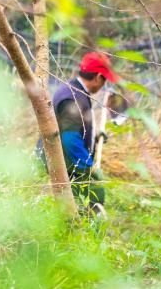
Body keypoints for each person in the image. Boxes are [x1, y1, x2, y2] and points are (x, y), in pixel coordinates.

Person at [46, 52, 120, 216]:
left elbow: (74, 128)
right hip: (69, 164)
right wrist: (88, 167)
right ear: (98, 77)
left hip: (68, 161)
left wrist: (94, 137)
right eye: (105, 80)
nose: (104, 84)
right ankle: (88, 227)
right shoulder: (73, 98)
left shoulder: (75, 91)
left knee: (80, 205)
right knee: (92, 199)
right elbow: (70, 139)